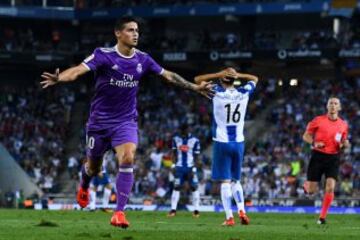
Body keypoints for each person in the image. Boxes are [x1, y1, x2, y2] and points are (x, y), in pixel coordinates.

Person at [40, 16, 213, 229]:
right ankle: (84, 185)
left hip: (125, 122)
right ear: (118, 33)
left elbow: (168, 75)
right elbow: (77, 71)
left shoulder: (143, 59)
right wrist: (60, 78)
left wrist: (195, 88)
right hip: (99, 123)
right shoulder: (103, 55)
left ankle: (119, 213)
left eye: (137, 30)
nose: (136, 34)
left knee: (128, 158)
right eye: (131, 30)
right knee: (93, 168)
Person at [195, 67, 258, 226]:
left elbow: (197, 80)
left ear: (222, 79)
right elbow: (255, 79)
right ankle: (242, 210)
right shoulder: (243, 92)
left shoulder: (217, 91)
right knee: (236, 180)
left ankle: (229, 217)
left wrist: (217, 74)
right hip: (238, 143)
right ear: (234, 80)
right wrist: (240, 74)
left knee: (224, 182)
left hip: (222, 142)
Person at [302, 97, 350, 225]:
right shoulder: (318, 120)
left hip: (333, 157)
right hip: (318, 156)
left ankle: (322, 217)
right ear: (327, 106)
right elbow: (305, 135)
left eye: (335, 103)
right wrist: (314, 143)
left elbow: (344, 141)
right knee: (312, 191)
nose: (333, 106)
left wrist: (345, 144)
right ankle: (306, 187)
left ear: (339, 107)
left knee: (330, 188)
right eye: (331, 103)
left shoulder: (343, 124)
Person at [168, 124, 201, 218]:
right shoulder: (175, 139)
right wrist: (173, 165)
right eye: (182, 131)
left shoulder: (195, 140)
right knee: (176, 187)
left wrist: (194, 169)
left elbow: (197, 156)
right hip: (179, 168)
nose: (184, 132)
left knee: (194, 187)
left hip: (190, 167)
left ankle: (196, 211)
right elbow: (173, 153)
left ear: (188, 130)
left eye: (185, 130)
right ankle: (173, 210)